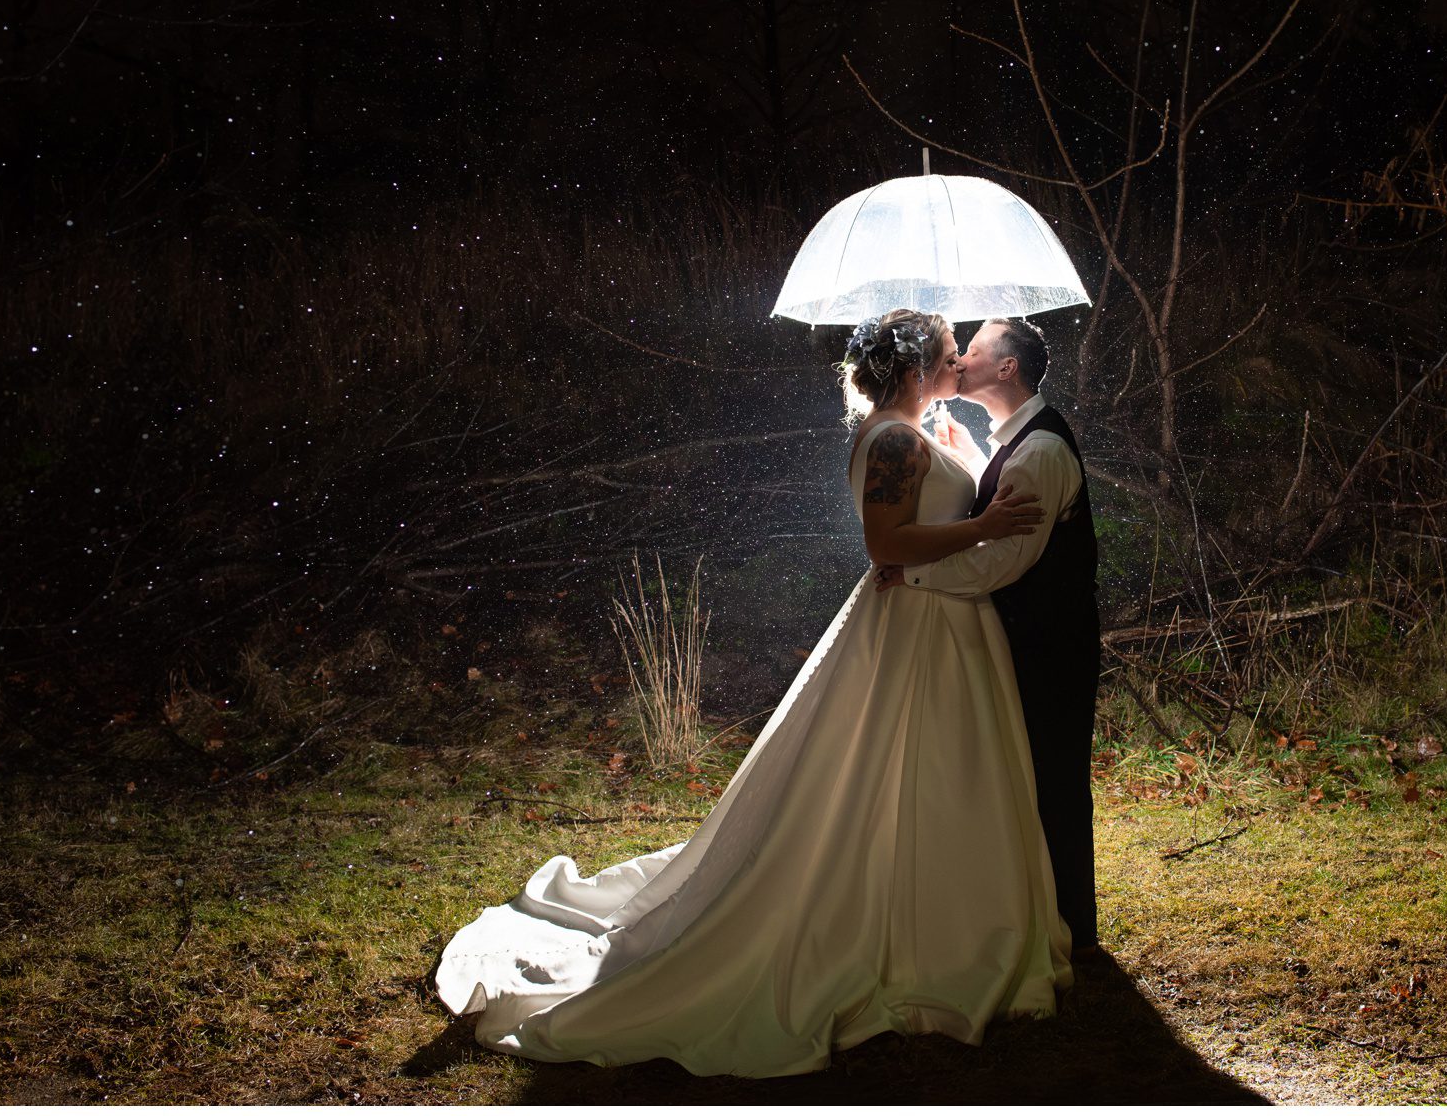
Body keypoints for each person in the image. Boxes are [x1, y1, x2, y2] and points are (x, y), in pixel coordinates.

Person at [432, 308, 1072, 1076]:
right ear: (912, 372)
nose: (957, 367)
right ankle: (898, 934)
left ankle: (938, 921)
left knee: (939, 780)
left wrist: (963, 461)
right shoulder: (895, 440)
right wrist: (982, 525)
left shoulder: (918, 432)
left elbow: (925, 511)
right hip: (916, 627)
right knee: (896, 773)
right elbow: (886, 544)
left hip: (945, 624)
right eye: (945, 357)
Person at [878, 316, 1102, 952]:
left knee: (1052, 778)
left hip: (1048, 643)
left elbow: (1005, 558)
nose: (960, 360)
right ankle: (1035, 915)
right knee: (1021, 777)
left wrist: (912, 574)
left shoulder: (1041, 449)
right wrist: (972, 458)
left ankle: (1069, 931)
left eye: (972, 351)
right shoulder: (1016, 441)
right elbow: (1000, 506)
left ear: (1006, 369)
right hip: (1028, 637)